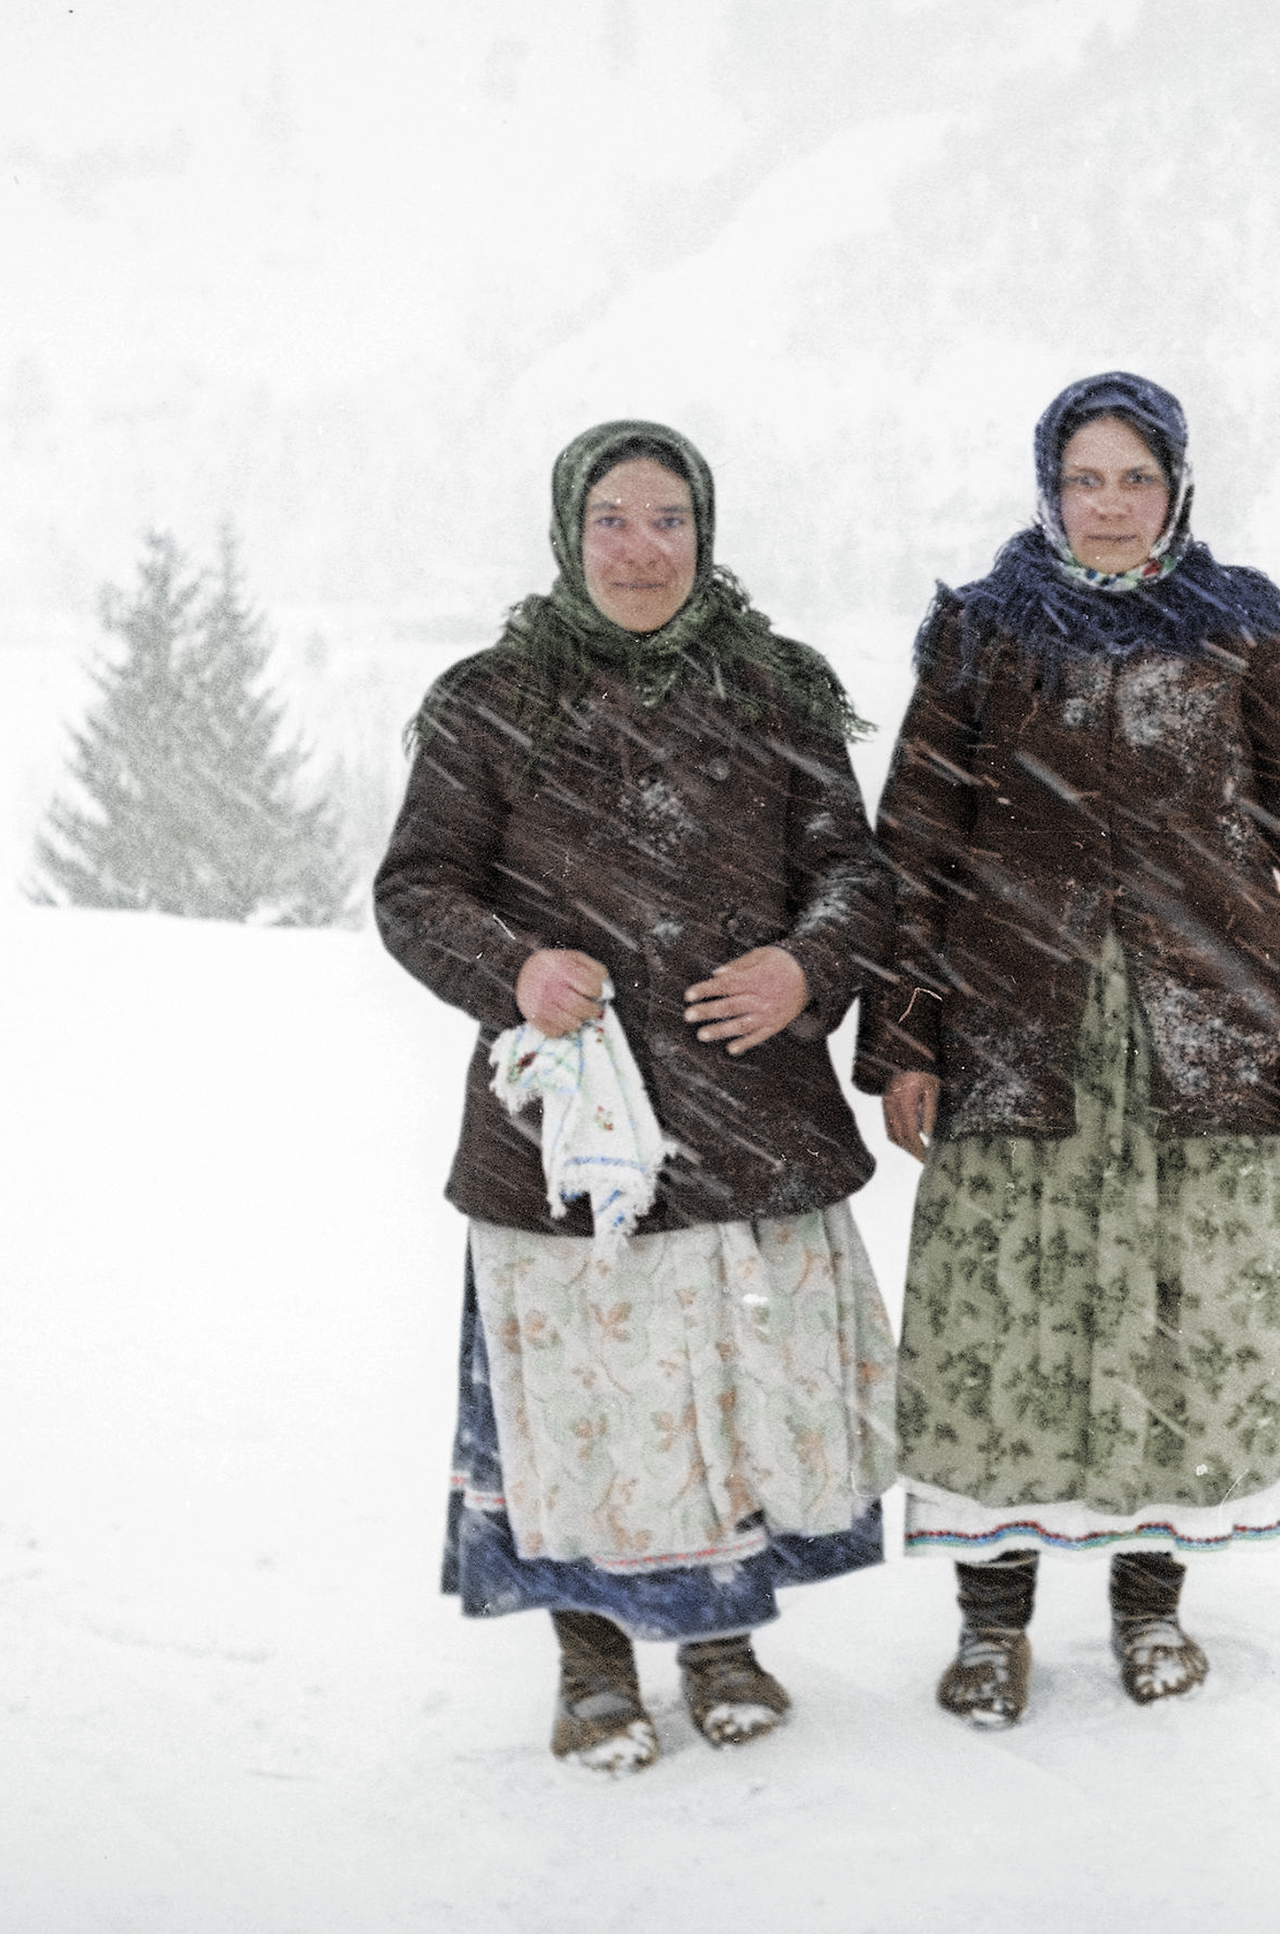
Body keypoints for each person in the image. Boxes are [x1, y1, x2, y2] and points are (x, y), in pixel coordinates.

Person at [377, 419, 895, 1776]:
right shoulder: (490, 701)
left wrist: (804, 965)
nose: (642, 549)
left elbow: (855, 874)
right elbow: (418, 889)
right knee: (588, 1407)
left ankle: (722, 1641)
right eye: (612, 519)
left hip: (748, 1112)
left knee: (726, 1391)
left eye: (669, 519)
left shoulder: (776, 692)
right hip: (570, 1127)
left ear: (705, 533)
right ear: (569, 532)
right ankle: (594, 1662)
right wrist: (514, 966)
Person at [855, 369, 1280, 1727]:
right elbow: (915, 844)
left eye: (1136, 478)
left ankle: (1152, 1604)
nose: (1110, 505)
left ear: (1177, 487)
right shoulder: (981, 634)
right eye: (1084, 479)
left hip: (1206, 1036)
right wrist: (905, 1038)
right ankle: (992, 1622)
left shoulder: (1242, 630)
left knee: (1172, 1320)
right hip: (1016, 1035)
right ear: (1048, 488)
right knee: (1004, 1329)